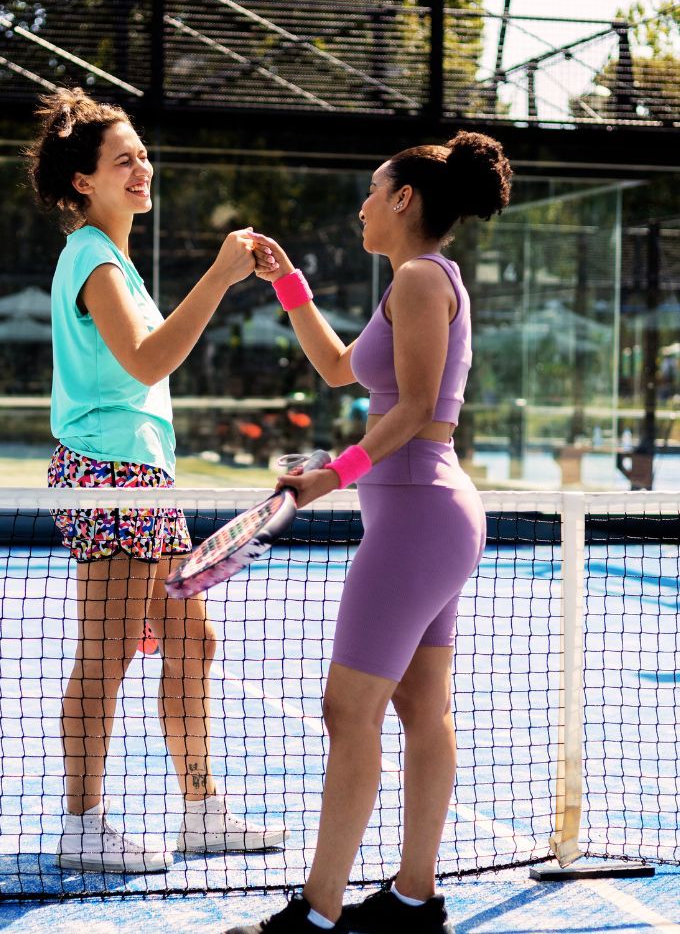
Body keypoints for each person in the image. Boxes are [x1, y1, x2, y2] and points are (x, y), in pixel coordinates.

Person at [228, 131, 512, 934]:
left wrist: (331, 475)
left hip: (420, 515)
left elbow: (416, 411)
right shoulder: (414, 283)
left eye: (372, 189)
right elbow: (338, 368)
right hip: (428, 512)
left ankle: (317, 914)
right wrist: (289, 285)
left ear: (404, 200)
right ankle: (413, 903)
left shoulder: (422, 279)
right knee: (423, 709)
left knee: (347, 710)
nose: (360, 205)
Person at [28, 87, 288, 874]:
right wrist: (217, 277)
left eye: (143, 155)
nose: (142, 167)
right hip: (109, 474)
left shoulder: (120, 264)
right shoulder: (91, 257)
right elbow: (146, 361)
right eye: (122, 159)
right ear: (83, 182)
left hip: (144, 475)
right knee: (105, 654)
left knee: (191, 639)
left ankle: (201, 810)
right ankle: (83, 822)